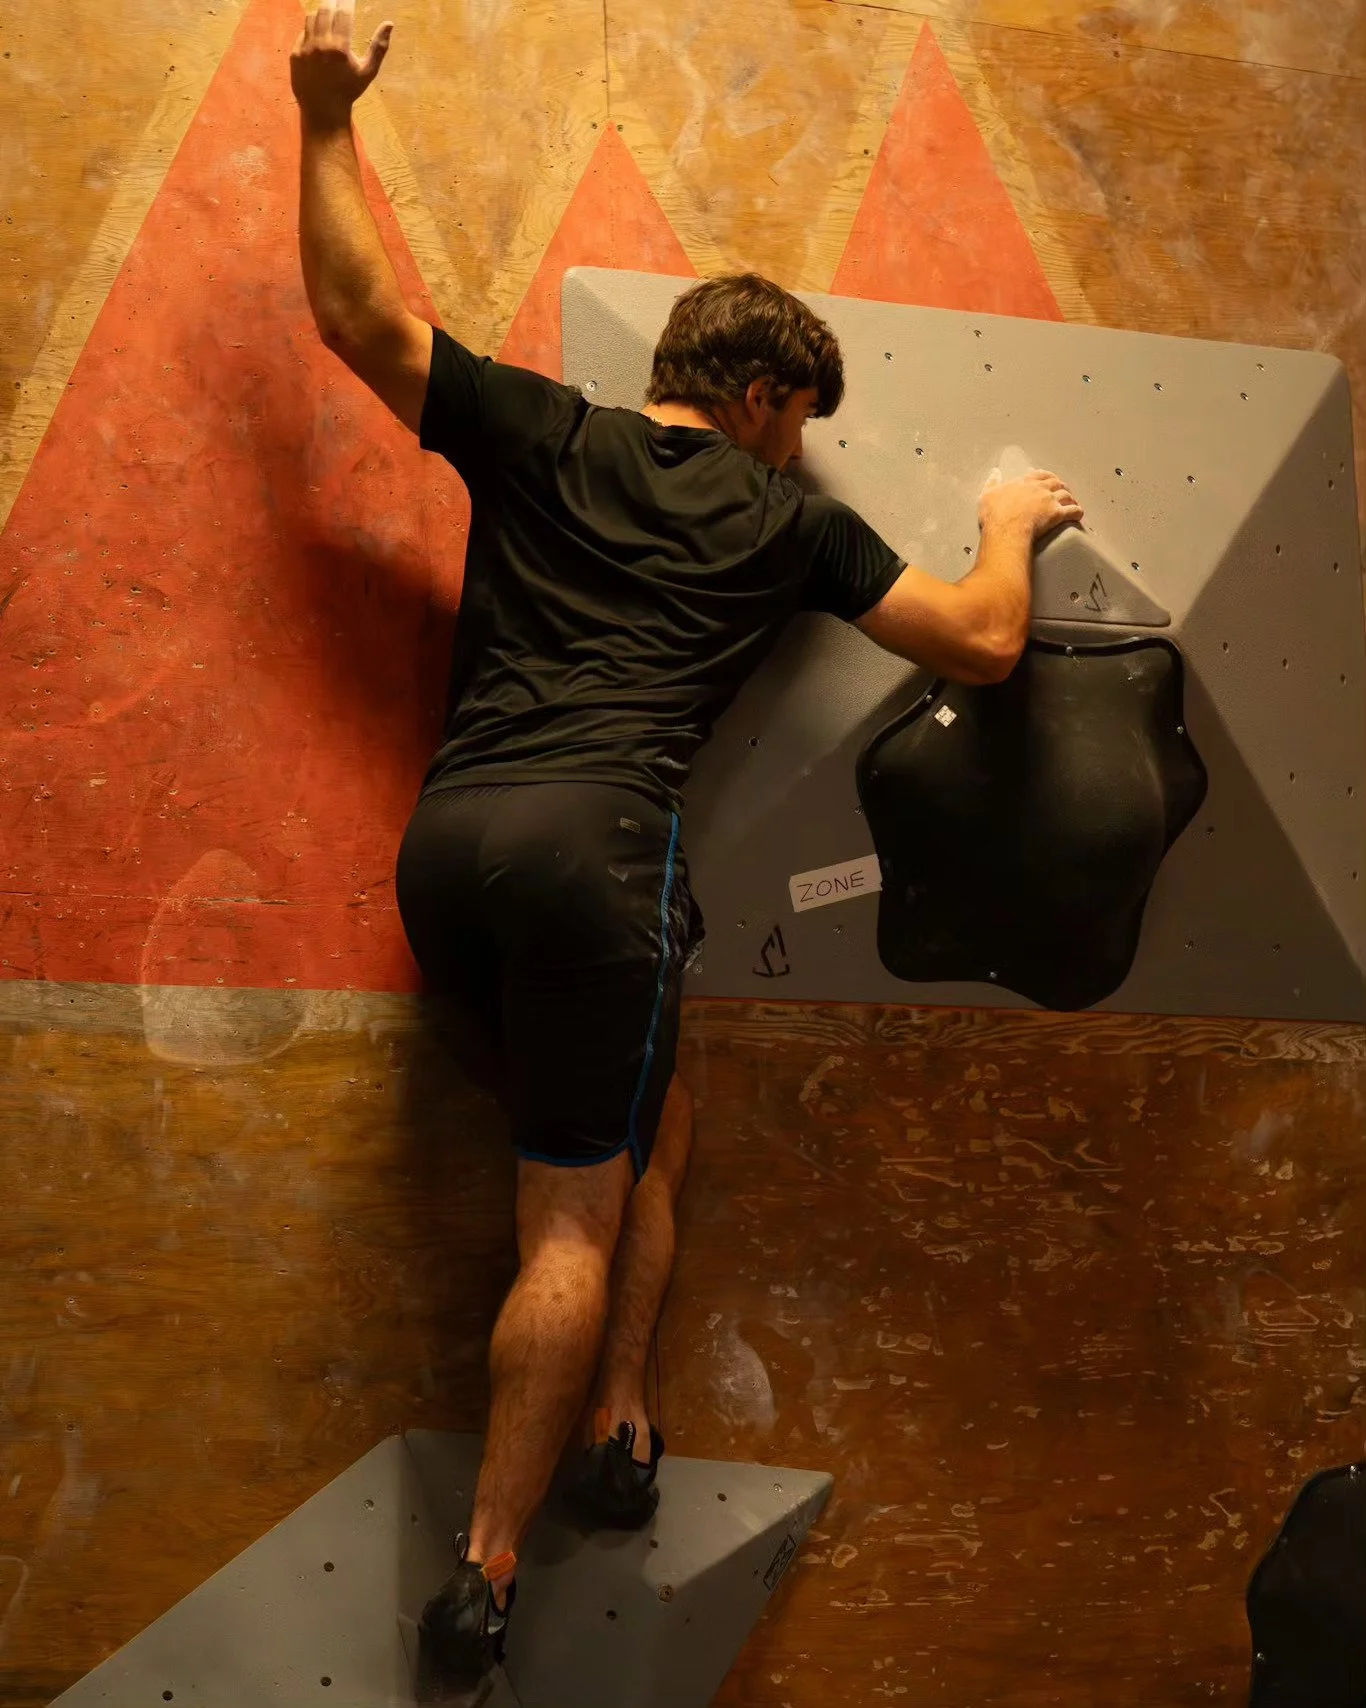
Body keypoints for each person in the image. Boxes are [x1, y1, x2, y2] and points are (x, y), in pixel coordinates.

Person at [291, 5, 1083, 1696]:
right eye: (800, 418)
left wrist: (322, 121)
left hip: (452, 846)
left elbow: (357, 316)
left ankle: (624, 1412)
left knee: (659, 1102)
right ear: (767, 395)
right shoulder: (784, 516)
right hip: (601, 855)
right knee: (567, 1223)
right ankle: (487, 1572)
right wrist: (1007, 523)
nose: (799, 446)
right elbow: (981, 642)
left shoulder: (546, 432)